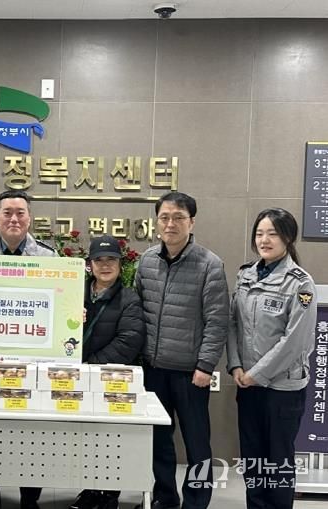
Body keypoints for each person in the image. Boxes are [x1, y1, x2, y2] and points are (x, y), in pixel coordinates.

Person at [135, 191, 229, 509]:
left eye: (178, 217)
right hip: (153, 370)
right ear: (157, 221)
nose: (170, 224)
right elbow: (137, 312)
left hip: (191, 373)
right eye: (164, 217)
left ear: (192, 222)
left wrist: (205, 366)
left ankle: (197, 501)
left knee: (197, 444)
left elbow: (217, 321)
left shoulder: (210, 264)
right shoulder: (147, 260)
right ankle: (165, 496)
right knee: (158, 440)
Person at [0, 189, 56, 509]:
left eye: (20, 213)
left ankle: (29, 497)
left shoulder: (48, 258)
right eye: (7, 213)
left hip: (34, 359)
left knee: (33, 430)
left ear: (30, 218)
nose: (14, 219)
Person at [227, 208, 316, 509]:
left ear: (288, 238)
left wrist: (257, 374)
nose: (264, 240)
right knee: (253, 459)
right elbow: (233, 324)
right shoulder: (245, 275)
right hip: (247, 384)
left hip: (282, 389)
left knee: (277, 460)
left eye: (272, 234)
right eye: (259, 234)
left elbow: (295, 342)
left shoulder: (300, 283)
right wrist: (236, 365)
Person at [69, 235, 145, 509]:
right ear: (89, 265)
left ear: (120, 264)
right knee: (86, 439)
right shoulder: (72, 293)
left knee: (111, 439)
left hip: (110, 381)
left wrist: (91, 367)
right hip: (76, 379)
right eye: (98, 260)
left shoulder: (129, 299)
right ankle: (90, 490)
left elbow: (129, 341)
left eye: (111, 259)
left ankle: (110, 494)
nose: (104, 265)